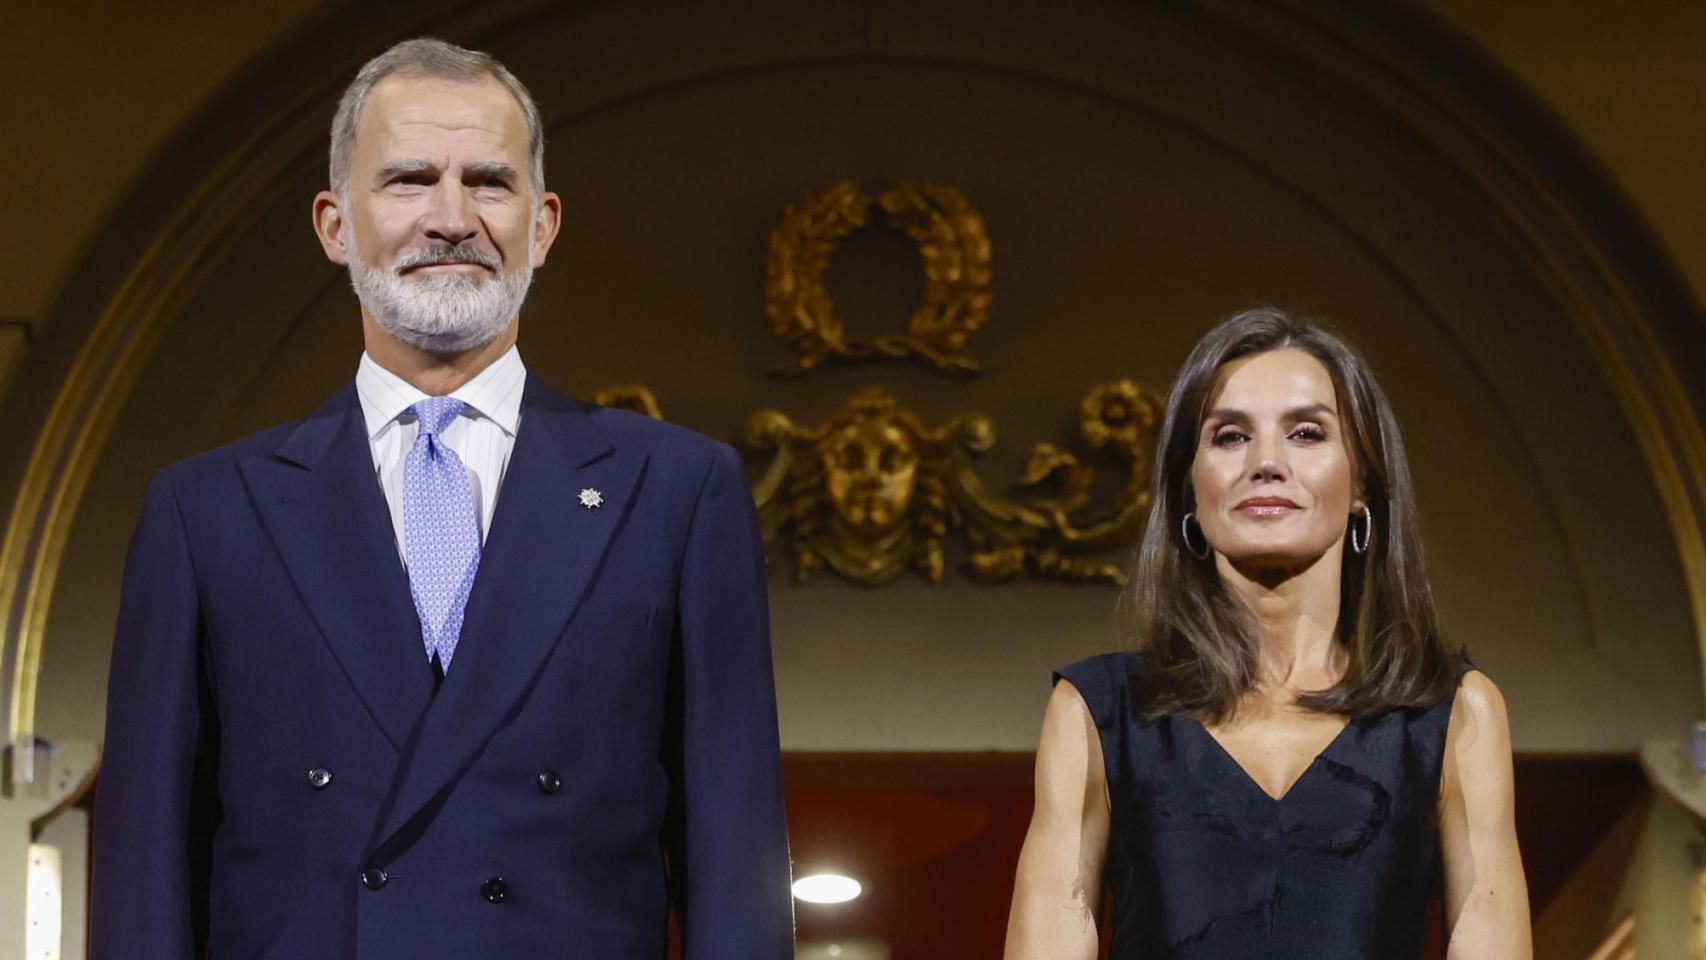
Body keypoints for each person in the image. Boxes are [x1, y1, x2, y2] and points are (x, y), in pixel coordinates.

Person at [91, 37, 793, 959]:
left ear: (542, 226)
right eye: (410, 179)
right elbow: (144, 876)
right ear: (334, 225)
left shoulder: (677, 492)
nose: (452, 218)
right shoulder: (206, 513)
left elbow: (735, 863)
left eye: (489, 183)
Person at [1003, 307, 1530, 958]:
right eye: (1229, 437)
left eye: (1306, 433)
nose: (1266, 462)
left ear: (1362, 482)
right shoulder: (1098, 712)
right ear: (1190, 490)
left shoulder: (1454, 715)